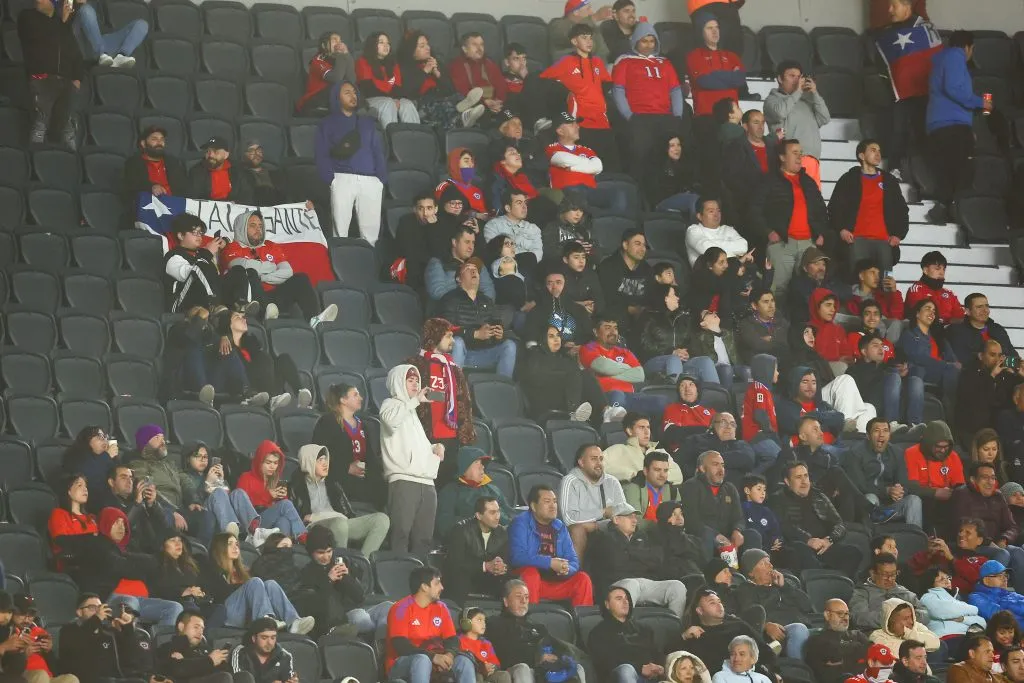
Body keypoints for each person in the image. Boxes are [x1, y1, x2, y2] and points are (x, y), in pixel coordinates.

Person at [220, 211, 338, 328]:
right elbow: (239, 266)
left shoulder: (271, 246)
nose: (258, 229)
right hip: (253, 300)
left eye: (260, 226)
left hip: (275, 297)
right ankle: (265, 312)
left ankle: (314, 320)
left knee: (301, 279)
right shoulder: (232, 247)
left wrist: (262, 276)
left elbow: (287, 272)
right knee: (250, 273)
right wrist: (271, 267)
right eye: (252, 225)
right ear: (242, 227)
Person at [748, 139, 829, 300]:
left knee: (809, 290)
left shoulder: (808, 182)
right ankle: (777, 323)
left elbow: (821, 210)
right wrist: (768, 231)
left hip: (808, 244)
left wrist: (820, 232)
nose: (799, 157)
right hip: (782, 243)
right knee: (778, 290)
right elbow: (753, 210)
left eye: (801, 153)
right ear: (782, 157)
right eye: (794, 153)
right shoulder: (769, 180)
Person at [925, 31, 991, 225]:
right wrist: (981, 103)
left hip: (940, 123)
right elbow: (953, 88)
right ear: (968, 47)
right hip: (952, 123)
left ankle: (945, 209)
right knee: (963, 169)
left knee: (949, 169)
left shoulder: (941, 60)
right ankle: (951, 210)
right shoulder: (955, 56)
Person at [380, 364, 445, 555]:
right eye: (410, 380)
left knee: (424, 540)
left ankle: (424, 582)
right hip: (404, 480)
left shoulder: (413, 411)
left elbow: (417, 445)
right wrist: (415, 401)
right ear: (398, 382)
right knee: (400, 536)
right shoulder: (390, 404)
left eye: (417, 380)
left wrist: (435, 448)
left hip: (426, 482)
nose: (416, 384)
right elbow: (392, 422)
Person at [314, 81, 388, 243]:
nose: (353, 96)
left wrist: (380, 179)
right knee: (340, 231)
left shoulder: (367, 123)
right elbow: (322, 154)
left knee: (371, 235)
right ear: (336, 97)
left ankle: (368, 265)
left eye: (354, 92)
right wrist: (331, 179)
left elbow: (378, 151)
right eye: (347, 92)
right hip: (342, 178)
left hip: (371, 180)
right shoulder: (327, 123)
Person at [873, 0, 940, 177]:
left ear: (907, 6)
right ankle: (894, 169)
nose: (889, 10)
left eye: (894, 6)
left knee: (924, 133)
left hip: (925, 94)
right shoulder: (886, 35)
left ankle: (929, 176)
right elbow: (883, 67)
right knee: (898, 130)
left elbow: (936, 61)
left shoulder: (926, 30)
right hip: (900, 94)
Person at [611, 23, 685, 180]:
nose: (648, 45)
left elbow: (676, 90)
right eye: (644, 41)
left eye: (652, 41)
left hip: (665, 118)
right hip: (640, 119)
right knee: (641, 161)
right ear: (636, 41)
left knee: (666, 161)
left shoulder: (665, 63)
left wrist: (677, 116)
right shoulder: (625, 62)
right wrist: (629, 116)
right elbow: (618, 90)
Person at [588, 502, 688, 617]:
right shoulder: (604, 538)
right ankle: (626, 630)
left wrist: (629, 552)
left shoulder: (642, 536)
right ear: (616, 519)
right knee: (632, 584)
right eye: (630, 517)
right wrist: (642, 559)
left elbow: (657, 560)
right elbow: (616, 565)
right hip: (617, 584)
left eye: (635, 517)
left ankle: (674, 628)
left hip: (645, 583)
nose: (635, 520)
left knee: (677, 586)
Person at [289, 444, 390, 554]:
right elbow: (300, 520)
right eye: (320, 460)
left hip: (340, 522)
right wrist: (316, 517)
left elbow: (346, 513)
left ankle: (362, 563)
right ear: (308, 462)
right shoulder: (296, 485)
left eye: (326, 459)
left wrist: (315, 516)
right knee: (340, 523)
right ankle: (340, 563)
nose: (325, 463)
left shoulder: (332, 483)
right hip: (316, 528)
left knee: (382, 519)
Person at [828, 139, 909, 273]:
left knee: (885, 284)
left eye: (879, 151)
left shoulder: (889, 181)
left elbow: (902, 210)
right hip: (856, 240)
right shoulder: (849, 179)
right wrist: (842, 229)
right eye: (873, 150)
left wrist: (898, 235)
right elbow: (835, 207)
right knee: (857, 283)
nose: (878, 154)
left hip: (884, 241)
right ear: (861, 156)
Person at [686, 10, 746, 188]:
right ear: (701, 32)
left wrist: (716, 77)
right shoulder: (694, 55)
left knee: (735, 167)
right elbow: (704, 81)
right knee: (711, 167)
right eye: (709, 28)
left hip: (731, 119)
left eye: (717, 27)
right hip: (706, 118)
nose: (715, 31)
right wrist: (729, 77)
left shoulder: (732, 56)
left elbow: (740, 80)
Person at [384, 566, 475, 683]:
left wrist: (449, 655)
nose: (442, 587)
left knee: (464, 661)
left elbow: (452, 638)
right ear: (424, 587)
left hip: (434, 659)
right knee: (422, 660)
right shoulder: (401, 608)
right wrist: (433, 657)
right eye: (437, 583)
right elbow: (401, 646)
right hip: (400, 664)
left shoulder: (441, 607)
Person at [508, 484, 594, 606]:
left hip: (555, 582)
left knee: (582, 579)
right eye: (547, 501)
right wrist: (549, 563)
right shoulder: (520, 523)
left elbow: (574, 561)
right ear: (533, 506)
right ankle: (530, 620)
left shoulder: (560, 526)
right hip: (529, 582)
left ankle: (582, 622)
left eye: (554, 502)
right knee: (531, 573)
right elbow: (517, 557)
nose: (553, 506)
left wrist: (566, 569)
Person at [298, 525, 390, 637]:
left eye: (329, 551)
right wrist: (328, 580)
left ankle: (379, 642)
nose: (326, 556)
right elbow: (313, 606)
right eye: (321, 552)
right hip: (338, 621)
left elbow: (359, 597)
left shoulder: (341, 563)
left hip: (357, 610)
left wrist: (347, 577)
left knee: (389, 607)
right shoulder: (307, 572)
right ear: (311, 552)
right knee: (361, 617)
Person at [487, 579, 585, 683]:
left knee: (577, 668)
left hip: (541, 671)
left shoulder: (538, 627)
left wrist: (559, 658)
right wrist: (538, 657)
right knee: (523, 668)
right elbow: (504, 655)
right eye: (518, 596)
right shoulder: (494, 624)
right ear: (506, 601)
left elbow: (553, 647)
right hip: (513, 671)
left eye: (526, 597)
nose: (523, 601)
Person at [771, 461, 862, 571]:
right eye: (798, 477)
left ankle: (838, 583)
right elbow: (784, 526)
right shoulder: (777, 499)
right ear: (787, 481)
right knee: (800, 550)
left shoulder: (819, 496)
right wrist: (808, 540)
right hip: (800, 546)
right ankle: (819, 580)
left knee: (853, 552)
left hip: (824, 546)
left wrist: (829, 540)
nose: (804, 481)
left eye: (806, 476)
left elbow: (839, 523)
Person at [18, 0, 83, 149]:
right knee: (40, 124)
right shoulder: (27, 17)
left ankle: (70, 158)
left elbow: (76, 53)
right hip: (42, 78)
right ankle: (35, 154)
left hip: (65, 81)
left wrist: (77, 78)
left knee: (68, 127)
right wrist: (62, 22)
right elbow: (42, 37)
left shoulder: (61, 25)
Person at [670, 588, 778, 678]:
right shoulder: (696, 634)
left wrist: (772, 673)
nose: (719, 605)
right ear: (700, 610)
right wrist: (683, 637)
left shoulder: (738, 625)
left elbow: (765, 651)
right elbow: (671, 659)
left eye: (719, 602)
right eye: (712, 603)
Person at [581, 315, 670, 421]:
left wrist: (608, 372)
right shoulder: (589, 348)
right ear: (596, 332)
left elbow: (639, 375)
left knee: (663, 402)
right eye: (608, 328)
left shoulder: (624, 352)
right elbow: (604, 367)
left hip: (631, 395)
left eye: (615, 328)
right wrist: (627, 368)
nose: (613, 332)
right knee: (618, 396)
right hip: (605, 397)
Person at [440, 259, 518, 378]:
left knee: (509, 345)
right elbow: (445, 329)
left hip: (484, 353)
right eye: (468, 269)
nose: (473, 272)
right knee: (458, 342)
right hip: (459, 352)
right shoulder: (449, 299)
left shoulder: (487, 301)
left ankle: (502, 390)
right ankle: (454, 388)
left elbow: (496, 324)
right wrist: (475, 334)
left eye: (475, 270)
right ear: (458, 279)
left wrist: (499, 333)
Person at [397, 30, 486, 131]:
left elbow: (450, 90)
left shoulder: (490, 65)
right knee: (444, 105)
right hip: (423, 105)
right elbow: (407, 92)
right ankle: (462, 117)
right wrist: (425, 72)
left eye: (427, 44)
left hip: (442, 101)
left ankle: (464, 116)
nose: (428, 48)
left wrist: (438, 74)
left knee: (458, 98)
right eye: (422, 46)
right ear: (411, 51)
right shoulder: (405, 68)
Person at [734, 549, 814, 658]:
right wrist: (766, 625)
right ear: (751, 572)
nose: (770, 565)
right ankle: (798, 670)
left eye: (769, 562)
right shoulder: (746, 590)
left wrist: (785, 587)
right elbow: (750, 613)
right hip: (782, 633)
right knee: (798, 629)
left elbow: (807, 606)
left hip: (806, 628)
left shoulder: (781, 585)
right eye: (763, 563)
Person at [844, 419, 924, 527]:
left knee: (914, 500)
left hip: (890, 506)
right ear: (868, 435)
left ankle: (916, 539)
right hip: (866, 503)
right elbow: (859, 486)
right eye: (877, 430)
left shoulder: (897, 452)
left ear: (889, 435)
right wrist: (886, 491)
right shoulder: (855, 453)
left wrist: (899, 491)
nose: (881, 435)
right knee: (870, 497)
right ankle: (871, 539)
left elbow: (904, 482)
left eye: (885, 430)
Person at [58, 592, 152, 683]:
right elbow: (78, 650)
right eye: (92, 608)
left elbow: (129, 659)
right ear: (79, 612)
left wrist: (127, 630)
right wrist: (96, 619)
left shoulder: (107, 632)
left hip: (112, 678)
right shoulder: (69, 630)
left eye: (100, 608)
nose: (98, 611)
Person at [764, 61, 831, 186]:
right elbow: (780, 113)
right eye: (791, 76)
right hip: (789, 160)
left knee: (812, 202)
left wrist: (815, 94)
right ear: (779, 78)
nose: (796, 80)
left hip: (812, 160)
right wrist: (798, 92)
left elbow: (825, 118)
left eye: (798, 77)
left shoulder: (806, 101)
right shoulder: (772, 100)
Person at [521, 324, 604, 425]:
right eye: (551, 336)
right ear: (542, 339)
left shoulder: (565, 357)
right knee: (574, 375)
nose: (556, 339)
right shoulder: (535, 355)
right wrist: (565, 375)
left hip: (564, 397)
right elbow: (535, 379)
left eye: (558, 336)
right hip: (543, 398)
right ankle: (573, 413)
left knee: (586, 374)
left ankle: (605, 411)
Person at [638, 283, 720, 386]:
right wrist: (671, 352)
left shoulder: (683, 318)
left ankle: (717, 397)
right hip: (653, 361)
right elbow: (643, 346)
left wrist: (687, 352)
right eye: (674, 295)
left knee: (705, 361)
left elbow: (692, 342)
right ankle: (674, 397)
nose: (677, 298)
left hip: (681, 361)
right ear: (665, 298)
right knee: (674, 359)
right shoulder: (648, 317)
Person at [558, 444, 627, 560]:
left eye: (601, 459)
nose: (599, 463)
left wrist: (596, 525)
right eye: (594, 459)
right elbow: (569, 518)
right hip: (581, 533)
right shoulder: (569, 481)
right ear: (581, 462)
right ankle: (576, 574)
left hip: (606, 529)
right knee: (577, 529)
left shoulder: (612, 481)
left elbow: (622, 513)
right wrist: (603, 512)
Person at [232, 440, 306, 542]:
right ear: (259, 461)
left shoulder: (276, 481)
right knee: (286, 504)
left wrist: (281, 497)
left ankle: (281, 550)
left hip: (269, 524)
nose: (272, 467)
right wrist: (268, 495)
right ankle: (303, 537)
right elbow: (240, 503)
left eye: (275, 463)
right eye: (268, 462)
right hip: (252, 523)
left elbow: (281, 510)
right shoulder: (246, 477)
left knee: (284, 520)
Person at [587, 585, 664, 683]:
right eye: (619, 599)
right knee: (626, 670)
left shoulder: (644, 629)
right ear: (607, 604)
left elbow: (657, 652)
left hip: (650, 677)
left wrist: (659, 666)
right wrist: (640, 668)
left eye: (627, 599)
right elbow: (605, 662)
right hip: (618, 677)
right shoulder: (598, 632)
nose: (625, 602)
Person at [443, 497, 511, 606]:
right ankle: (456, 614)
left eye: (498, 511)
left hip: (488, 579)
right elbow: (455, 563)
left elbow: (506, 560)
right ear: (479, 515)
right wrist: (485, 566)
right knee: (460, 579)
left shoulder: (502, 532)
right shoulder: (461, 530)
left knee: (512, 583)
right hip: (466, 577)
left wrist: (502, 567)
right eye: (492, 512)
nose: (498, 516)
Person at [436, 447, 514, 538]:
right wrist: (480, 523)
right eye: (476, 462)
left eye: (482, 463)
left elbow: (510, 515)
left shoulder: (493, 489)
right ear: (464, 467)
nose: (482, 467)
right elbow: (444, 525)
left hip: (500, 540)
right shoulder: (450, 492)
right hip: (469, 543)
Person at [848, 336, 925, 429]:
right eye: (875, 346)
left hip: (896, 407)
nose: (881, 349)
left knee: (915, 381)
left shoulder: (888, 367)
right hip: (873, 408)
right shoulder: (854, 370)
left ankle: (914, 425)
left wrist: (904, 373)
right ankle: (891, 424)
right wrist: (892, 375)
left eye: (882, 346)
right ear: (864, 352)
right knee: (893, 377)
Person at [157, 611, 256, 683]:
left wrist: (187, 662)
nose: (200, 632)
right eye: (196, 627)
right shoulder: (167, 648)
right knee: (223, 678)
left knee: (243, 676)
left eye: (202, 629)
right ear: (181, 626)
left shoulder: (206, 649)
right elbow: (179, 671)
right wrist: (210, 661)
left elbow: (226, 670)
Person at [898, 299, 961, 410]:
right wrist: (945, 365)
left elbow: (953, 360)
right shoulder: (909, 334)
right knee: (951, 371)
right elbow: (918, 358)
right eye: (927, 308)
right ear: (917, 314)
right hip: (921, 372)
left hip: (942, 372)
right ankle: (951, 414)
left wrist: (951, 365)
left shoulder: (939, 338)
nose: (932, 313)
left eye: (934, 311)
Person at [956, 341, 1024, 442]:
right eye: (992, 355)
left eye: (1000, 355)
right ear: (981, 356)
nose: (997, 359)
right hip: (974, 427)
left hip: (999, 424)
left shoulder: (1003, 374)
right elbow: (977, 401)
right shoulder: (969, 373)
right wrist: (991, 376)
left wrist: (1021, 376)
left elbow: (1016, 394)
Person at [681, 451, 745, 556]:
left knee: (752, 534)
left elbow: (739, 517)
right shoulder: (691, 486)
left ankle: (752, 571)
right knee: (706, 537)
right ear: (702, 468)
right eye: (715, 465)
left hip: (727, 537)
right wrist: (716, 536)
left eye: (722, 465)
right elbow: (691, 521)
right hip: (703, 537)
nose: (721, 470)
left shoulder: (730, 488)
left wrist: (737, 530)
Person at [122, 125, 188, 218]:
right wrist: (151, 187)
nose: (159, 142)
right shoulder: (134, 163)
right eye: (154, 139)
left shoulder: (173, 163)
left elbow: (183, 187)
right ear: (143, 143)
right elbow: (131, 185)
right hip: (147, 210)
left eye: (162, 139)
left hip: (174, 209)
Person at [355, 32, 420, 126]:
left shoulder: (394, 64)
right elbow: (368, 89)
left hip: (389, 99)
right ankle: (390, 138)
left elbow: (397, 88)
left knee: (407, 104)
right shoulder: (362, 62)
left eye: (388, 43)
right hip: (370, 99)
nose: (386, 46)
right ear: (373, 45)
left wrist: (396, 99)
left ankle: (412, 136)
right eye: (381, 42)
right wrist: (392, 100)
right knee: (388, 103)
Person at [852, 553, 930, 631]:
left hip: (909, 635)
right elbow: (859, 617)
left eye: (893, 574)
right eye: (885, 575)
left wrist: (910, 616)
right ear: (873, 573)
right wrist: (891, 618)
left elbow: (925, 614)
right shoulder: (862, 592)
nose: (889, 579)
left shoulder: (904, 592)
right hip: (877, 635)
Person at [598, 227, 653, 330]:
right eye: (637, 244)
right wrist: (631, 309)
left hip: (641, 319)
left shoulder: (647, 269)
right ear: (625, 245)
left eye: (644, 245)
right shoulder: (607, 267)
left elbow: (650, 297)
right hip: (614, 318)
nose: (642, 249)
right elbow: (606, 300)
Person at [805, 599, 871, 683]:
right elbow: (834, 655)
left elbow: (874, 652)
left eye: (847, 614)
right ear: (827, 615)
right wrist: (859, 653)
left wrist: (844, 661)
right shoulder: (816, 640)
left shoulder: (857, 634)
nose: (846, 618)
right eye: (840, 614)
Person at [605, 413, 684, 484]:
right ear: (629, 431)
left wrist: (649, 477)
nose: (647, 432)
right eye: (641, 427)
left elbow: (678, 476)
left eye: (648, 427)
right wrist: (634, 475)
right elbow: (600, 468)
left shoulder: (660, 453)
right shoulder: (618, 450)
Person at [426, 226, 498, 303]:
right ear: (454, 242)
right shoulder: (438, 263)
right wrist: (464, 303)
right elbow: (437, 292)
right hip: (450, 309)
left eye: (473, 243)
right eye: (467, 242)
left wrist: (477, 305)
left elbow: (489, 290)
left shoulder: (477, 264)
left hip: (478, 309)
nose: (471, 247)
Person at [722, 109, 772, 220]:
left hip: (772, 201)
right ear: (745, 126)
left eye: (762, 122)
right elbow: (732, 178)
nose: (761, 127)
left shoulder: (772, 146)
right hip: (747, 203)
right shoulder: (736, 147)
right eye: (756, 122)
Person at [484, 190, 545, 276]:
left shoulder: (533, 228)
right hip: (505, 271)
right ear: (508, 208)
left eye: (525, 203)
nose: (524, 206)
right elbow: (495, 251)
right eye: (519, 203)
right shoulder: (493, 225)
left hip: (529, 270)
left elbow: (538, 254)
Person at [449, 32, 507, 118]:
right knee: (480, 111)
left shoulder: (489, 64)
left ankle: (513, 120)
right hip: (477, 105)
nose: (479, 48)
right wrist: (485, 102)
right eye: (475, 45)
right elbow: (462, 91)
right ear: (465, 49)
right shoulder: (457, 65)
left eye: (481, 45)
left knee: (509, 114)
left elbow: (502, 86)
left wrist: (498, 101)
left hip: (497, 106)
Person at [297, 31, 356, 115]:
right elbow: (335, 78)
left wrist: (347, 55)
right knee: (339, 86)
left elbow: (352, 80)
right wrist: (341, 56)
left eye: (340, 41)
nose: (338, 44)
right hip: (314, 101)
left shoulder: (339, 60)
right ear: (324, 45)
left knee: (352, 88)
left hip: (333, 99)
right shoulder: (317, 61)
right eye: (334, 40)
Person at [869, 600, 941, 668]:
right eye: (906, 619)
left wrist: (908, 634)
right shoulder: (877, 636)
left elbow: (935, 642)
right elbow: (897, 656)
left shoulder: (915, 626)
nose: (911, 622)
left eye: (911, 617)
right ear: (891, 621)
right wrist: (920, 644)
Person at [950, 294, 1020, 364]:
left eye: (987, 306)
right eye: (979, 307)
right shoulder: (957, 331)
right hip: (972, 373)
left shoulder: (998, 329)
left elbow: (1015, 359)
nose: (985, 310)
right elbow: (961, 360)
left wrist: (1006, 366)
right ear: (968, 311)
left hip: (1003, 372)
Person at [919, 566, 985, 639]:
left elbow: (982, 622)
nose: (948, 581)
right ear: (931, 583)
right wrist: (974, 609)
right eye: (942, 579)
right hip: (946, 637)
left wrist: (963, 619)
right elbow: (943, 611)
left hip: (967, 636)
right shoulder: (927, 597)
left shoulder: (958, 601)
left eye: (948, 578)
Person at [905, 251, 966, 325]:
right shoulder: (916, 289)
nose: (942, 272)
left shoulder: (948, 293)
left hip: (949, 331)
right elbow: (921, 317)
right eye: (937, 268)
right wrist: (948, 321)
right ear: (926, 270)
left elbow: (960, 316)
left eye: (944, 269)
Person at [228, 617, 296, 683]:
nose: (270, 643)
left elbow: (288, 679)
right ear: (254, 638)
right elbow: (240, 680)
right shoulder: (240, 652)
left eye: (273, 638)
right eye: (264, 638)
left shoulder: (285, 656)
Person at [186, 137, 253, 203]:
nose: (210, 155)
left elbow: (247, 195)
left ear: (226, 155)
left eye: (215, 151)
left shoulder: (237, 170)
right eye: (208, 151)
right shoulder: (196, 171)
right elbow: (193, 199)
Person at [685, 199, 749, 267]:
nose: (716, 215)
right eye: (711, 211)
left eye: (718, 211)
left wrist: (715, 245)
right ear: (699, 216)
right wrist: (736, 255)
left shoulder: (728, 229)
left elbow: (743, 246)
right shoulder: (693, 230)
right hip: (708, 275)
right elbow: (708, 250)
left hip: (733, 272)